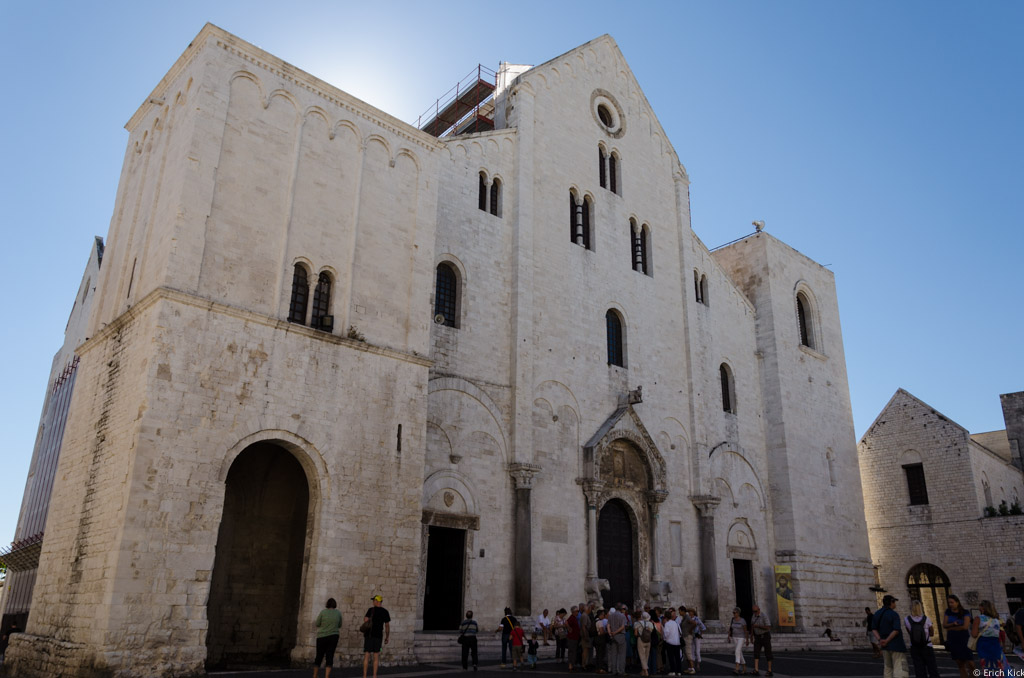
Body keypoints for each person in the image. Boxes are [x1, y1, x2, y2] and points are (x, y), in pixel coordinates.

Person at [872, 595, 908, 678]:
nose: (895, 604)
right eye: (894, 602)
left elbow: (874, 629)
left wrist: (880, 640)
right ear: (891, 602)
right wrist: (887, 640)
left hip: (885, 646)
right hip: (896, 645)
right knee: (900, 667)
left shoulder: (877, 614)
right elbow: (896, 630)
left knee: (888, 668)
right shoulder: (894, 614)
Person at [971, 599, 1010, 674]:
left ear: (982, 607)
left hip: (984, 645)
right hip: (995, 645)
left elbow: (974, 634)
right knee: (997, 667)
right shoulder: (996, 620)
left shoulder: (978, 618)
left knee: (987, 667)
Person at [942, 594, 976, 678]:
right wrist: (953, 624)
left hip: (963, 639)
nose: (950, 604)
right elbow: (945, 625)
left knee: (971, 663)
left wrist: (951, 628)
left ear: (957, 602)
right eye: (949, 602)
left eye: (952, 602)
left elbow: (965, 627)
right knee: (960, 663)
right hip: (953, 639)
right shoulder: (948, 612)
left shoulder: (965, 612)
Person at [904, 599, 939, 678]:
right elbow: (932, 633)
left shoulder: (906, 620)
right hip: (927, 646)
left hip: (915, 647)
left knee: (919, 669)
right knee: (932, 668)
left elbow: (910, 633)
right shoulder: (926, 619)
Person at [362, 594, 390, 678]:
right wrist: (387, 637)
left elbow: (365, 620)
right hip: (378, 636)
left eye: (374, 600)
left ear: (376, 601)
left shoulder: (371, 610)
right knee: (376, 656)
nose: (373, 602)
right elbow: (387, 626)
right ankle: (374, 676)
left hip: (369, 635)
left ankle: (364, 676)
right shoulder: (385, 611)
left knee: (367, 655)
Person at [313, 598, 342, 678]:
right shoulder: (338, 613)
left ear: (327, 604)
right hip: (333, 636)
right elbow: (340, 625)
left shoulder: (323, 612)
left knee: (319, 656)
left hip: (322, 636)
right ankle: (327, 676)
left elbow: (317, 623)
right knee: (330, 656)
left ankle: (315, 675)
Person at [750, 603, 774, 676]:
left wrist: (758, 626)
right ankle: (756, 669)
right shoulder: (753, 616)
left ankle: (769, 670)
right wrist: (751, 636)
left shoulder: (764, 616)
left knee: (768, 653)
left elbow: (768, 627)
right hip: (757, 637)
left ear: (759, 610)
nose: (755, 613)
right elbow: (752, 626)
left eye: (756, 611)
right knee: (756, 653)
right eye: (753, 611)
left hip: (765, 636)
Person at [606, 603, 627, 676]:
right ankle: (621, 670)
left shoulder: (611, 616)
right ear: (621, 609)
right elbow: (622, 627)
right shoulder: (622, 616)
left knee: (614, 654)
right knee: (621, 654)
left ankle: (614, 670)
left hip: (613, 636)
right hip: (620, 635)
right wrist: (615, 632)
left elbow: (608, 625)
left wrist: (610, 633)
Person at [727, 606, 749, 676]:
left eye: (735, 613)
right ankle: (744, 668)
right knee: (739, 652)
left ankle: (737, 668)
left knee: (737, 651)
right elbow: (730, 628)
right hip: (734, 637)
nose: (733, 614)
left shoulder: (742, 620)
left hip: (741, 637)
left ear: (738, 613)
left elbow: (745, 631)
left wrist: (747, 639)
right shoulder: (732, 620)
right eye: (733, 613)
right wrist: (728, 636)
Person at [662, 608, 682, 676]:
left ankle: (672, 670)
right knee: (677, 657)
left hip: (670, 642)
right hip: (677, 642)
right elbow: (680, 632)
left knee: (671, 657)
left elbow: (666, 633)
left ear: (666, 617)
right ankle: (679, 671)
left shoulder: (667, 624)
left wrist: (665, 639)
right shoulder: (676, 623)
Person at [634, 611, 654, 677]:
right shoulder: (650, 623)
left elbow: (635, 634)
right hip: (648, 640)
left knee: (642, 656)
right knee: (646, 656)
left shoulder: (637, 623)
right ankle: (643, 671)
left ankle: (646, 670)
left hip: (640, 640)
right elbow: (651, 632)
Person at [689, 608, 706, 672]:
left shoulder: (697, 619)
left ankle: (698, 663)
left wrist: (700, 634)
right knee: (692, 650)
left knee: (697, 650)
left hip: (696, 636)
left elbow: (703, 627)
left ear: (693, 613)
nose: (690, 613)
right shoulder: (689, 619)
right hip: (691, 636)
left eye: (691, 612)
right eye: (689, 612)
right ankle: (693, 663)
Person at [567, 605, 582, 672]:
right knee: (571, 652)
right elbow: (566, 622)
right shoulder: (572, 618)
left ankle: (572, 665)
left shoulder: (574, 618)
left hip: (575, 637)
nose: (578, 612)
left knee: (574, 652)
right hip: (572, 638)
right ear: (573, 612)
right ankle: (570, 665)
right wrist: (569, 629)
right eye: (577, 611)